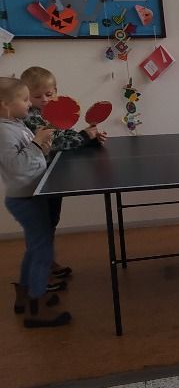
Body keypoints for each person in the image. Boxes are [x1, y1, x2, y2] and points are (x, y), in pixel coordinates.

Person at [21, 65, 106, 284]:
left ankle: (47, 262)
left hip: (51, 177)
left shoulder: (54, 112)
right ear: (25, 96)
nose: (44, 100)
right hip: (34, 180)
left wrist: (91, 138)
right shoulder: (30, 118)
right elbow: (57, 142)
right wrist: (84, 136)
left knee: (50, 222)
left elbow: (66, 134)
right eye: (37, 96)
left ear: (56, 91)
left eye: (48, 94)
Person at [1, 78, 72, 328]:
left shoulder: (16, 124)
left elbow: (33, 157)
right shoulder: (3, 132)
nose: (29, 103)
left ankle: (25, 292)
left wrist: (43, 144)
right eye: (24, 99)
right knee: (42, 250)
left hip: (32, 194)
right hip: (25, 199)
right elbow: (18, 166)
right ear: (5, 104)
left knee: (34, 248)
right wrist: (35, 143)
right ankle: (36, 305)